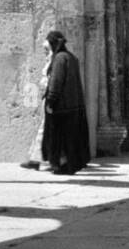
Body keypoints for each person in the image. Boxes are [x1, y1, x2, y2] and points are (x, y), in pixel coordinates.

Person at [39, 29, 91, 175]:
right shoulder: (72, 57)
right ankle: (69, 165)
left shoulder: (60, 59)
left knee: (60, 139)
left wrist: (50, 101)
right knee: (71, 139)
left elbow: (56, 82)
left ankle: (62, 165)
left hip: (62, 107)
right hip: (74, 106)